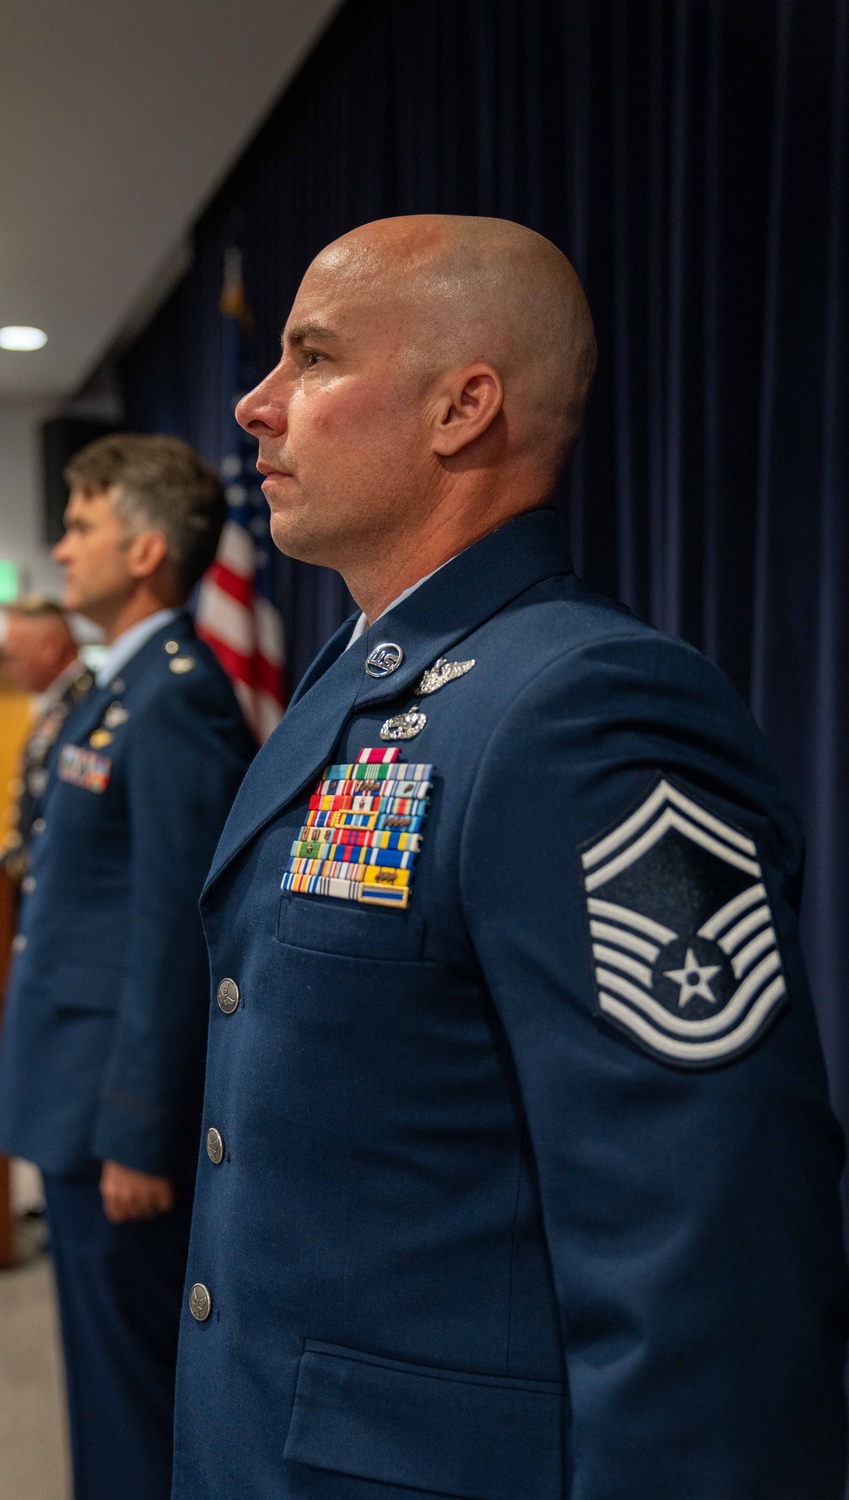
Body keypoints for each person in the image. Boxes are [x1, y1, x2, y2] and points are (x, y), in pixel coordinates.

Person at [173, 217, 849, 1499]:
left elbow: (706, 1252)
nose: (257, 406)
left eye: (311, 359)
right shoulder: (363, 679)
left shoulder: (589, 712)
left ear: (461, 407)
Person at [0, 434, 256, 1500]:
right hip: (80, 1096)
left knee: (135, 1398)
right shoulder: (118, 690)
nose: (61, 548)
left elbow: (171, 926)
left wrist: (142, 1128)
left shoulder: (175, 695)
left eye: (81, 525)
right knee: (105, 1393)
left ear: (144, 550)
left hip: (116, 1120)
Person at [0, 596, 92, 884]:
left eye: (14, 656)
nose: (8, 669)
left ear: (50, 648)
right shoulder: (60, 706)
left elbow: (78, 811)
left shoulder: (87, 704)